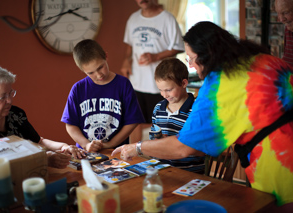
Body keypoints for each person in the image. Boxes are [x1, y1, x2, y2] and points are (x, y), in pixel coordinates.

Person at [113, 21, 293, 210]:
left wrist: (138, 147)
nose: (189, 64)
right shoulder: (264, 59)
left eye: (190, 58)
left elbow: (183, 147)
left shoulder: (218, 86)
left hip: (278, 163)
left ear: (207, 55)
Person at [0, 64, 86, 169]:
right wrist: (42, 159)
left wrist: (63, 147)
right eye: (2, 97)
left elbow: (38, 142)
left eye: (10, 93)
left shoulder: (15, 114)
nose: (9, 100)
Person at [61, 39, 145, 153]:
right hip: (86, 153)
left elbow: (133, 121)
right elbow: (70, 125)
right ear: (82, 70)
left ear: (106, 56)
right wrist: (86, 145)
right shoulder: (77, 89)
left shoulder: (123, 84)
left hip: (116, 152)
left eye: (100, 67)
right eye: (91, 73)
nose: (98, 74)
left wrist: (111, 144)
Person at [121, 0, 185, 143]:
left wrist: (155, 56)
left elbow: (178, 47)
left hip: (160, 86)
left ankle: (161, 159)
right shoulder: (133, 18)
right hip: (136, 82)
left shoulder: (167, 19)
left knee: (161, 126)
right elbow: (130, 46)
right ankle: (136, 159)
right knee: (135, 123)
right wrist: (126, 60)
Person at [151, 57, 205, 173]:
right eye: (160, 90)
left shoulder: (196, 110)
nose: (164, 95)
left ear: (184, 83)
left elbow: (202, 148)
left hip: (189, 172)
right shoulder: (158, 108)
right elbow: (153, 138)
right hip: (162, 171)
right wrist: (157, 140)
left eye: (169, 90)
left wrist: (172, 143)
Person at [275, 0, 293, 66]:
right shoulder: (288, 28)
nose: (281, 19)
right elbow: (288, 58)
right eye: (278, 13)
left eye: (286, 12)